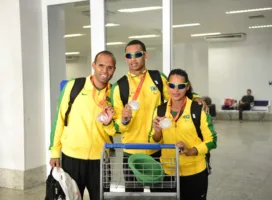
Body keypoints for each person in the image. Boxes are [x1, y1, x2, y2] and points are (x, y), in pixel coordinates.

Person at [105, 40, 206, 192]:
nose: (133, 59)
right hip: (132, 153)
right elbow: (117, 127)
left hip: (157, 150)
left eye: (137, 54)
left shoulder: (158, 78)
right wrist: (124, 120)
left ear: (145, 56)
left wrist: (196, 97)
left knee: (161, 195)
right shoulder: (120, 87)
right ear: (125, 58)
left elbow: (177, 93)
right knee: (134, 196)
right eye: (129, 55)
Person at [49, 50, 117, 200]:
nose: (105, 71)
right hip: (72, 157)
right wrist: (55, 152)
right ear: (93, 65)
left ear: (114, 70)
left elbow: (115, 131)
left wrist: (110, 122)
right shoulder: (74, 86)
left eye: (110, 67)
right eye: (101, 65)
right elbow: (59, 120)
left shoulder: (114, 93)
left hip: (100, 159)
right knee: (70, 198)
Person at [151, 69, 217, 200]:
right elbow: (154, 140)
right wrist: (157, 132)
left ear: (187, 86)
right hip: (169, 171)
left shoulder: (198, 109)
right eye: (171, 85)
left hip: (195, 172)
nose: (175, 90)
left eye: (180, 86)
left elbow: (212, 140)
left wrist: (191, 150)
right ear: (167, 86)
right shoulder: (160, 110)